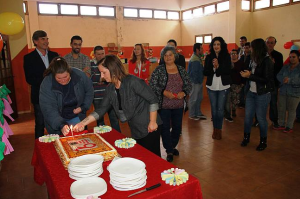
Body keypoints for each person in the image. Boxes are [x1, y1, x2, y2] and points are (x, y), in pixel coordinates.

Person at [74, 55, 162, 157]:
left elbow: (153, 100)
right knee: (143, 156)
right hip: (136, 128)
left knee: (153, 157)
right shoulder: (110, 89)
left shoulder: (133, 82)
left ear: (113, 70)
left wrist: (152, 122)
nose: (101, 76)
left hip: (150, 125)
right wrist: (82, 123)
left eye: (104, 72)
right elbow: (101, 110)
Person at [150, 45, 192, 162]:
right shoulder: (159, 70)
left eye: (170, 55)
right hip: (164, 105)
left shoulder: (181, 70)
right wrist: (163, 92)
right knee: (165, 128)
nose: (168, 57)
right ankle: (169, 150)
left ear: (175, 56)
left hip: (178, 105)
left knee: (177, 128)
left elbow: (189, 84)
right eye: (165, 55)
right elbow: (152, 84)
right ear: (163, 57)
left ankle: (173, 146)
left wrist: (183, 92)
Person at [39, 57, 94, 135]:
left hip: (76, 117)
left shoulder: (79, 76)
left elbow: (89, 91)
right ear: (54, 75)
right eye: (59, 78)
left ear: (69, 72)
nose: (63, 80)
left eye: (65, 77)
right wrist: (61, 125)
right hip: (56, 119)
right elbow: (48, 109)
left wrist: (84, 107)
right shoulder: (47, 83)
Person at [23, 30, 59, 139]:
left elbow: (59, 73)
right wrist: (47, 82)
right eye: (43, 39)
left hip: (56, 95)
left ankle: (59, 145)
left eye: (47, 39)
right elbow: (29, 79)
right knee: (40, 122)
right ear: (35, 41)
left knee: (57, 121)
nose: (46, 41)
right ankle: (39, 148)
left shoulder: (54, 55)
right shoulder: (29, 58)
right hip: (39, 95)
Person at [240, 38, 274, 151]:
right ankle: (246, 137)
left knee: (261, 118)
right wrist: (246, 73)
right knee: (248, 117)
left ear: (257, 48)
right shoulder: (253, 59)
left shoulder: (267, 61)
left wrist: (250, 76)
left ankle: (263, 141)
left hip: (262, 94)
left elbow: (266, 79)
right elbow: (251, 71)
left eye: (252, 47)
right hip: (251, 92)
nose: (250, 49)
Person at [204, 36, 231, 140]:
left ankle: (219, 130)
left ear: (222, 45)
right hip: (211, 86)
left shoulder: (226, 56)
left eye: (218, 44)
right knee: (214, 110)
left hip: (223, 86)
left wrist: (218, 67)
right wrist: (213, 68)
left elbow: (228, 71)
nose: (216, 46)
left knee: (220, 110)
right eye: (214, 44)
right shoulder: (209, 57)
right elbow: (205, 72)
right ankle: (215, 129)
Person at [90, 46, 121, 132]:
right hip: (97, 97)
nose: (101, 56)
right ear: (94, 55)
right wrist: (103, 78)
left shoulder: (108, 64)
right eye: (98, 54)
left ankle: (118, 137)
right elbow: (91, 78)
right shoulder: (91, 64)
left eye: (102, 54)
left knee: (114, 119)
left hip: (110, 96)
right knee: (100, 120)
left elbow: (113, 77)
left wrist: (99, 78)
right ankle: (103, 138)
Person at [274, 50, 300, 133]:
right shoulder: (286, 66)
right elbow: (278, 75)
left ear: (298, 57)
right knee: (281, 108)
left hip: (295, 92)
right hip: (283, 91)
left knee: (292, 110)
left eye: (294, 57)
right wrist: (283, 80)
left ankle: (289, 126)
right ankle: (281, 124)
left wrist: (289, 80)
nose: (292, 59)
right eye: (290, 57)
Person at [265, 36, 283, 128]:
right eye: (268, 42)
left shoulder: (278, 55)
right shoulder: (262, 54)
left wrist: (272, 64)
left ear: (275, 44)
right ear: (265, 43)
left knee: (273, 102)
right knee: (261, 102)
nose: (270, 44)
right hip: (262, 82)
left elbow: (279, 70)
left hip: (273, 83)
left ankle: (274, 120)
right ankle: (258, 119)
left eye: (272, 42)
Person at [224, 49, 245, 120]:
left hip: (237, 83)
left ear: (237, 55)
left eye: (235, 54)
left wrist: (243, 82)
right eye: (232, 54)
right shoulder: (227, 63)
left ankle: (233, 110)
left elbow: (243, 73)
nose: (233, 55)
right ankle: (227, 112)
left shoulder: (241, 63)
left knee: (235, 98)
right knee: (228, 99)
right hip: (228, 83)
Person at [187, 43, 206, 120]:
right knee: (193, 98)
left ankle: (198, 113)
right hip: (195, 82)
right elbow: (194, 73)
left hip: (199, 81)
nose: (203, 50)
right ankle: (191, 114)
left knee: (199, 98)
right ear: (197, 50)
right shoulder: (195, 59)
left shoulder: (198, 57)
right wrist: (197, 82)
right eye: (201, 48)